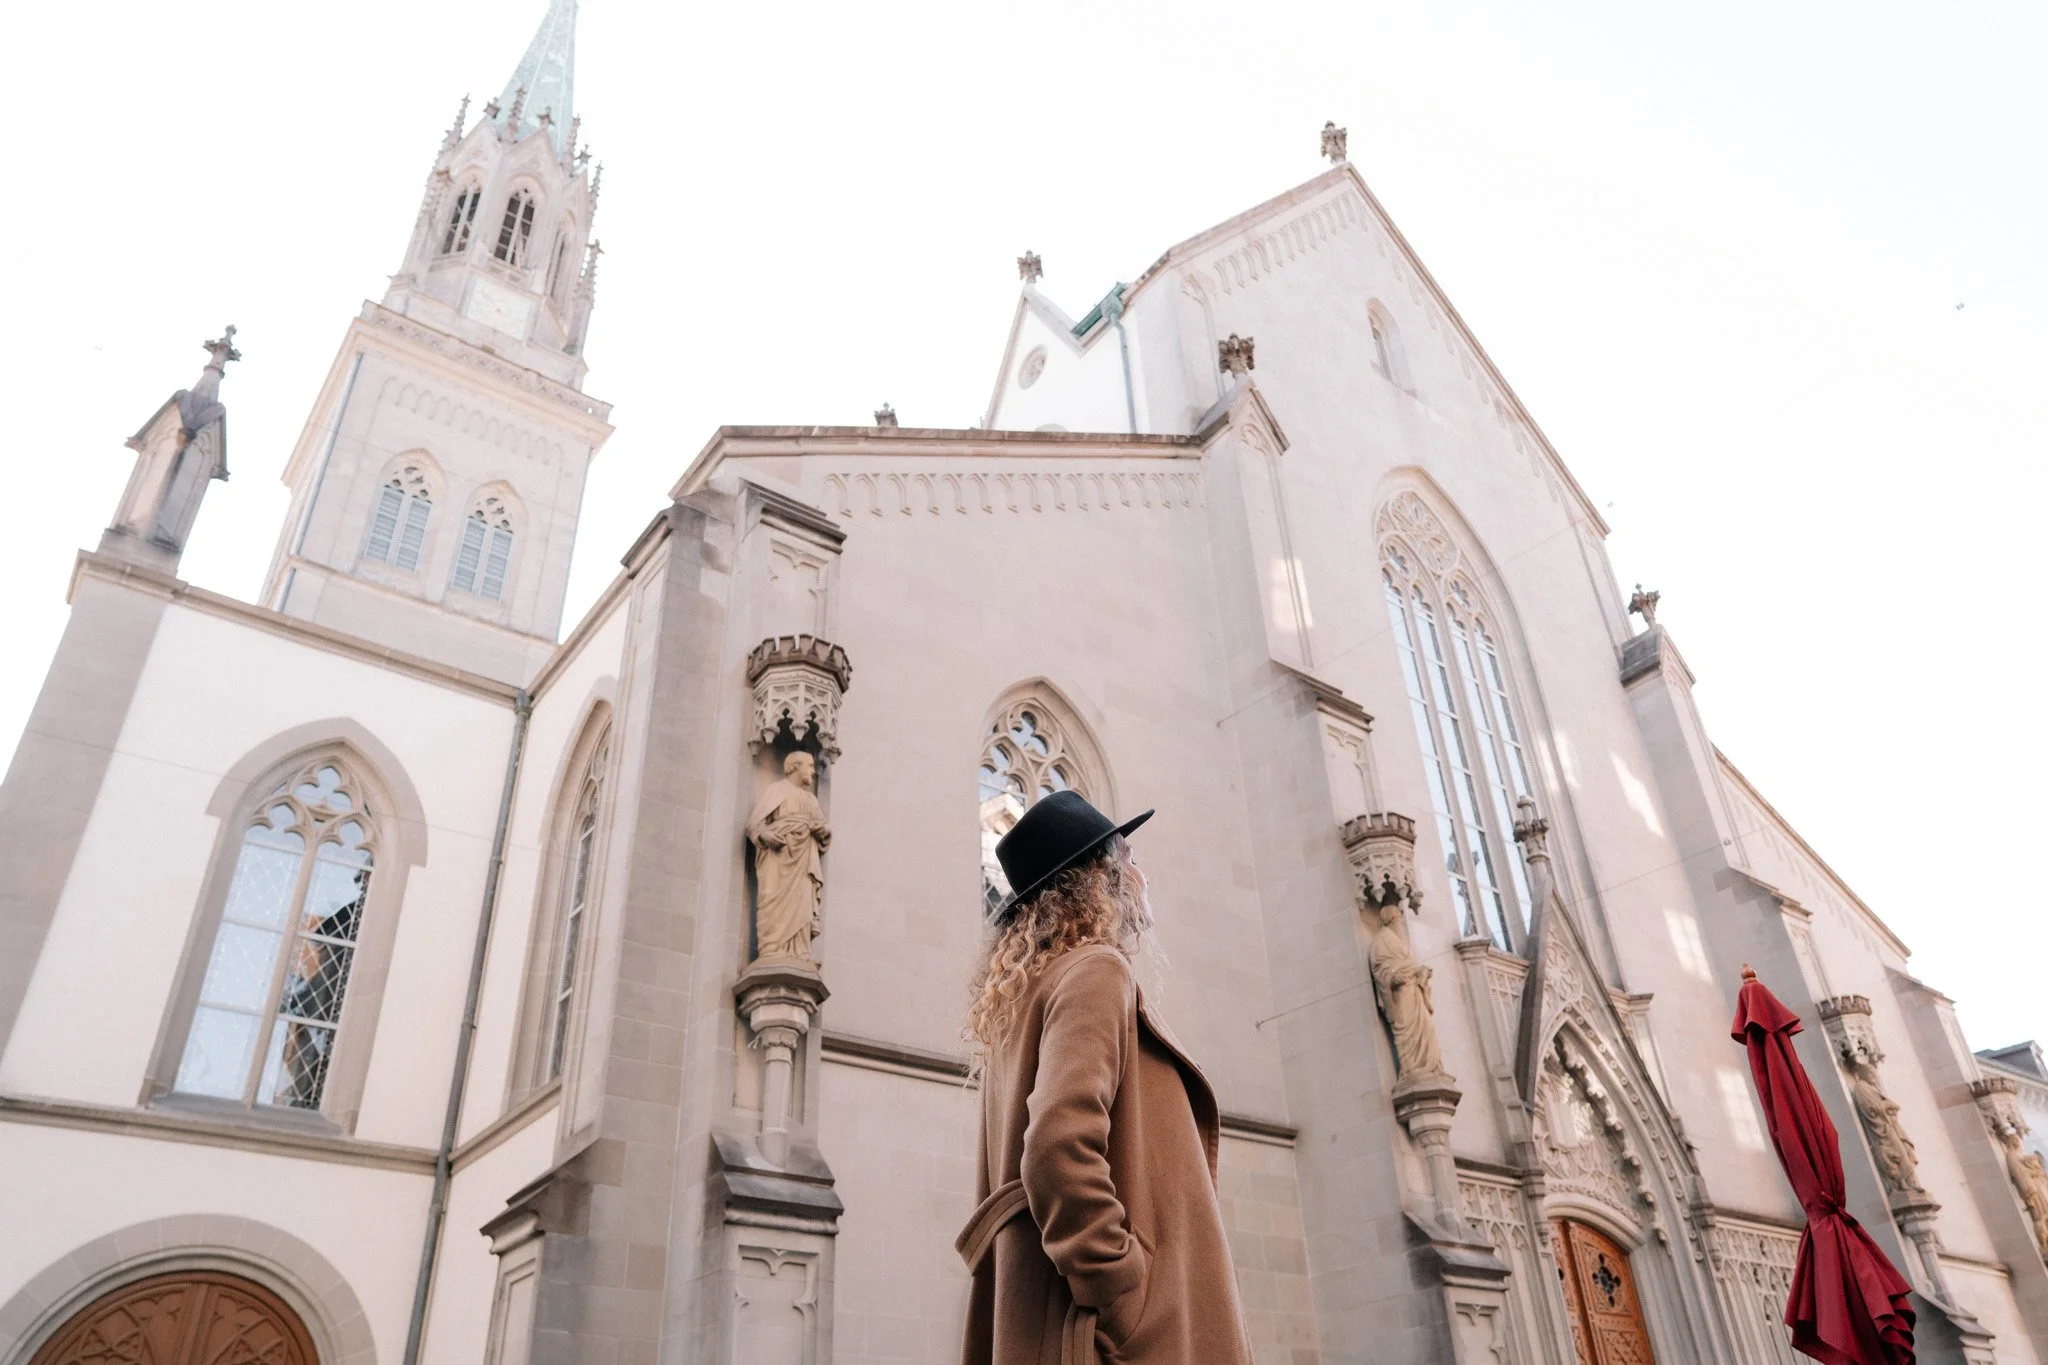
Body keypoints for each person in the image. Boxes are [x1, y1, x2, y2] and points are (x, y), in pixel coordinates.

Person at [956, 791, 1252, 1365]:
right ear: (1100, 877)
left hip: (1045, 1322)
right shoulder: (1095, 969)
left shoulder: (1026, 996)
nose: (1144, 876)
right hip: (1107, 1336)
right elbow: (1056, 1149)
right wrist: (1122, 1291)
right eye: (1131, 858)